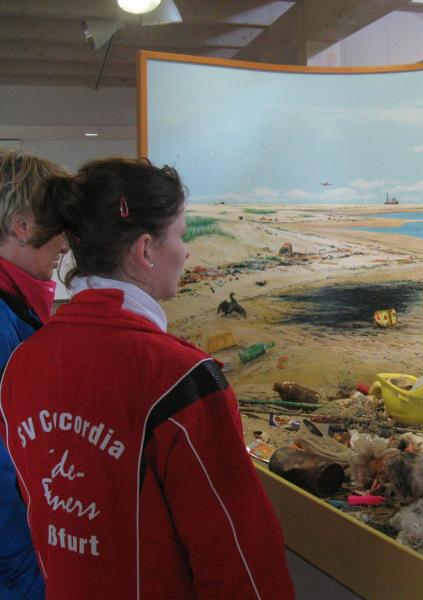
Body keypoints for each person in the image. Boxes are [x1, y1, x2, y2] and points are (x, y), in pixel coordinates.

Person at [0, 157, 294, 599]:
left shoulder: (24, 362)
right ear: (145, 251)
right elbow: (240, 560)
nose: (186, 251)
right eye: (180, 235)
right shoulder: (181, 378)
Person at [0, 150, 69, 600]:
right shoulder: (3, 319)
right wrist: (31, 576)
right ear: (23, 226)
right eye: (58, 224)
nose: (65, 242)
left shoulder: (17, 304)